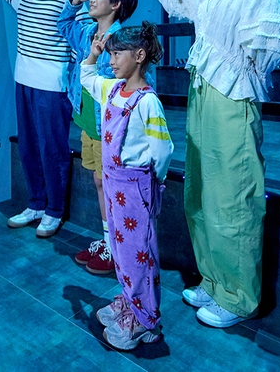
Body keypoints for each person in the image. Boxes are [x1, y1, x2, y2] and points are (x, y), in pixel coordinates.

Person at [156, 0, 280, 329]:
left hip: (233, 98)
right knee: (201, 191)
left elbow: (269, 51)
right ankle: (214, 280)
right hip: (202, 92)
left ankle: (238, 296)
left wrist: (243, 62)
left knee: (233, 195)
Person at [81, 23, 173, 350]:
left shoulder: (148, 102)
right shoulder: (112, 89)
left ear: (139, 55)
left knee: (139, 254)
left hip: (136, 188)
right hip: (113, 184)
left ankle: (145, 319)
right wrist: (92, 55)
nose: (112, 60)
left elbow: (162, 150)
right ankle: (129, 299)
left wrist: (153, 184)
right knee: (121, 250)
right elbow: (87, 77)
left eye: (117, 54)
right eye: (110, 54)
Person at [0, 0, 87, 238]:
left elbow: (78, 35)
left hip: (52, 84)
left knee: (52, 148)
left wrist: (73, 79)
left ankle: (54, 210)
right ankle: (35, 203)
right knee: (29, 146)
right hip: (24, 81)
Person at [58, 0, 139, 275]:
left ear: (116, 4)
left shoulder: (123, 41)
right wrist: (74, 3)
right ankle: (108, 240)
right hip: (88, 124)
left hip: (109, 127)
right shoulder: (88, 33)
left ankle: (118, 247)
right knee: (99, 181)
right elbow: (63, 26)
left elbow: (136, 85)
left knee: (111, 185)